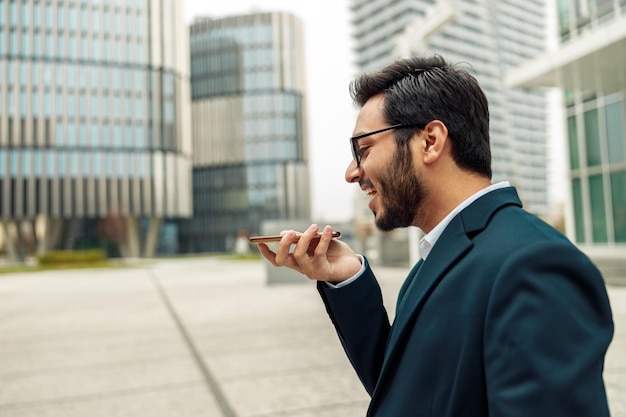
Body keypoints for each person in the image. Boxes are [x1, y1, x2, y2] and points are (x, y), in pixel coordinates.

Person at [256, 55, 614, 416]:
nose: (352, 172)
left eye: (362, 150)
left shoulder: (534, 266)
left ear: (430, 141)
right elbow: (406, 388)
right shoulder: (438, 256)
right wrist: (348, 278)